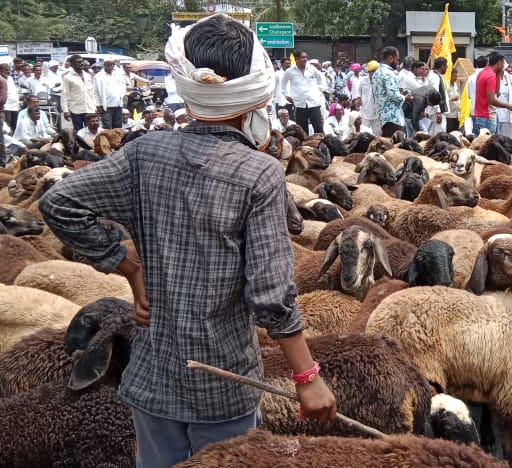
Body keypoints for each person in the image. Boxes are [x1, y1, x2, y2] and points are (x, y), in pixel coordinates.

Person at [38, 14, 338, 468]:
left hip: (153, 380)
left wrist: (128, 268)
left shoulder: (144, 153)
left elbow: (58, 202)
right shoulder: (259, 173)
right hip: (223, 385)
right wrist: (307, 375)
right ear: (255, 93)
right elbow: (270, 293)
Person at [282, 51, 326, 136]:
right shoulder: (290, 71)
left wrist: (319, 91)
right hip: (299, 104)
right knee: (302, 131)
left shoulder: (312, 69)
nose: (305, 59)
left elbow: (320, 78)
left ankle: (321, 146)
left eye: (306, 57)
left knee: (318, 128)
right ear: (296, 59)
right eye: (302, 57)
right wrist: (286, 95)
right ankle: (304, 148)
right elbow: (283, 83)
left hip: (314, 103)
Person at [473, 52, 512, 135]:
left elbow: (496, 93)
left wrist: (497, 73)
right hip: (487, 117)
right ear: (499, 63)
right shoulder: (490, 76)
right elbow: (492, 100)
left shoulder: (483, 73)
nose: (504, 66)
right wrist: (508, 106)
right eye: (503, 63)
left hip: (482, 116)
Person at [372, 46, 408, 138]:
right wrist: (405, 98)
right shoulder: (388, 73)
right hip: (393, 118)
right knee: (397, 148)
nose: (398, 62)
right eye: (397, 59)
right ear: (391, 58)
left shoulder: (377, 72)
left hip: (382, 117)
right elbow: (393, 95)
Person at [62, 54, 96, 131]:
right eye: (78, 62)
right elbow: (65, 94)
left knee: (92, 130)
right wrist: (65, 110)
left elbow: (91, 92)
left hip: (89, 108)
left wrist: (94, 105)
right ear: (72, 64)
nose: (81, 64)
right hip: (76, 109)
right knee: (79, 132)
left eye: (81, 62)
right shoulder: (67, 77)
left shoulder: (87, 75)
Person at [94, 60, 127, 129]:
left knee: (118, 125)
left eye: (112, 65)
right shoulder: (99, 76)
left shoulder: (117, 75)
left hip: (118, 104)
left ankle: (117, 139)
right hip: (106, 106)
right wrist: (98, 104)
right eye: (109, 65)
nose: (111, 67)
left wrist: (123, 96)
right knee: (107, 125)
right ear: (104, 65)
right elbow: (95, 91)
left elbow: (122, 85)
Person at [496, 58, 512, 139]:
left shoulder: (509, 78)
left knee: (508, 138)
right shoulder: (492, 77)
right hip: (494, 113)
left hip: (507, 113)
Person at [0, 64, 20, 131]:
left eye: (9, 69)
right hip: (6, 107)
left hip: (15, 106)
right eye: (6, 70)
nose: (8, 71)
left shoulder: (10, 78)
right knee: (8, 127)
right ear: (0, 70)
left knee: (14, 126)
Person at [360, 60, 380, 135]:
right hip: (366, 110)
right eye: (373, 71)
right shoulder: (362, 81)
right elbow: (358, 95)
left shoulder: (380, 81)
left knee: (377, 134)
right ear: (369, 71)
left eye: (376, 71)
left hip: (377, 112)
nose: (375, 73)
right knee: (364, 134)